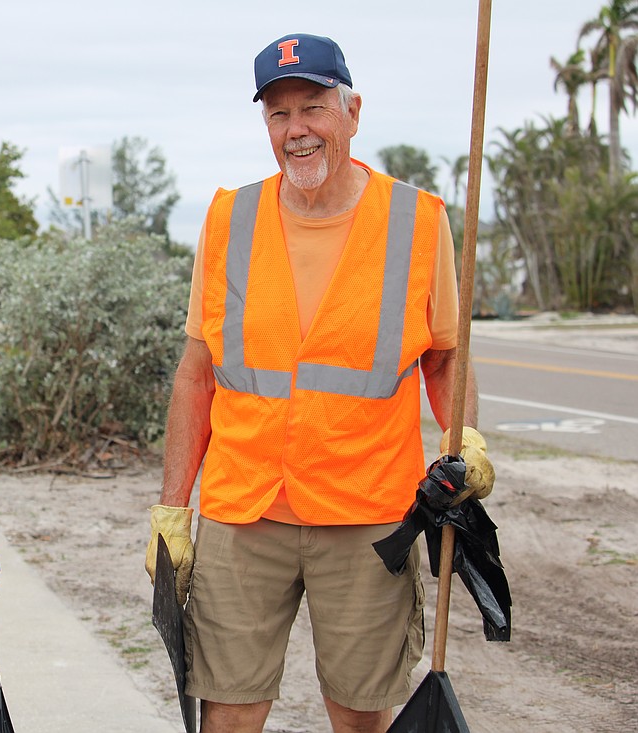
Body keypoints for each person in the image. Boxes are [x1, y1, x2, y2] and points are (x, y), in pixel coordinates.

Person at [144, 34, 495, 733]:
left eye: (313, 107)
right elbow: (196, 376)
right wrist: (173, 510)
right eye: (278, 114)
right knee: (228, 713)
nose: (296, 130)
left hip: (367, 515)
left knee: (361, 716)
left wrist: (472, 443)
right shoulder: (227, 220)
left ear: (352, 112)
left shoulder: (417, 222)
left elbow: (446, 358)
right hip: (245, 513)